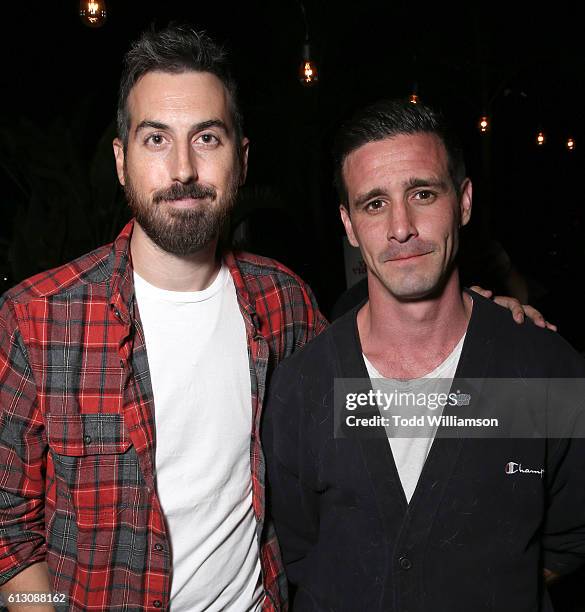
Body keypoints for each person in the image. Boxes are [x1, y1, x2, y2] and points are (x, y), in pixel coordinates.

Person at [0, 24, 547, 612]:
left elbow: (379, 363)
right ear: (121, 159)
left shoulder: (281, 302)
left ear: (241, 157)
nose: (183, 168)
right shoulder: (36, 318)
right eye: (156, 139)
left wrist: (476, 316)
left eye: (207, 138)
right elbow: (11, 538)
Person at [262, 99, 585, 611]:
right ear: (349, 225)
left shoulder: (541, 369)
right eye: (374, 204)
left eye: (423, 193)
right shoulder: (302, 388)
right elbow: (301, 551)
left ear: (464, 201)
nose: (401, 227)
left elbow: (567, 539)